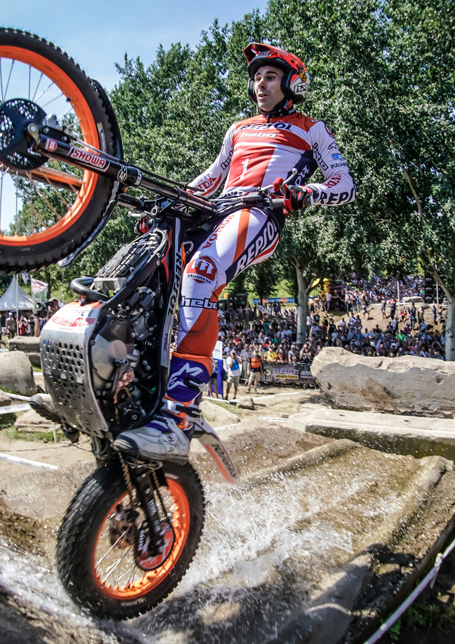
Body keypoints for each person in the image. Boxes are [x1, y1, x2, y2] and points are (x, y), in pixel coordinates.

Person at [109, 42, 355, 461]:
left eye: (270, 76)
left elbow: (343, 184)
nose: (260, 83)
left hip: (261, 213)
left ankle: (181, 412)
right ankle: (125, 377)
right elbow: (212, 177)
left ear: (292, 83)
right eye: (256, 77)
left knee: (201, 272)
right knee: (148, 268)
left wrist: (305, 192)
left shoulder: (311, 127)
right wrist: (171, 199)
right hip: (217, 209)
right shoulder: (238, 129)